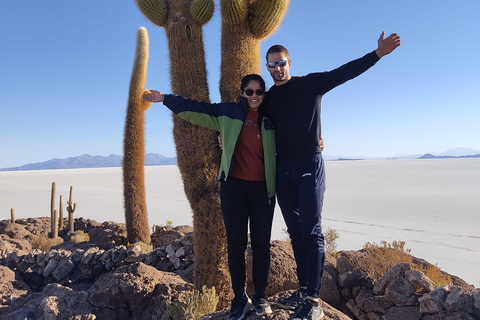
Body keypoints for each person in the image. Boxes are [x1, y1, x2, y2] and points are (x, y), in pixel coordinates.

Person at [263, 31, 401, 320]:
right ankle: (303, 291)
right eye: (271, 65)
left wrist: (377, 54)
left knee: (312, 232)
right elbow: (249, 121)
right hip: (281, 168)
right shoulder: (268, 99)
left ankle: (313, 301)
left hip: (308, 165)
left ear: (290, 62)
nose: (277, 69)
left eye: (281, 63)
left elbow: (344, 72)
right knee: (296, 234)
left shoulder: (310, 84)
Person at [142, 74, 276, 320]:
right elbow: (196, 110)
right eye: (250, 92)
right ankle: (239, 297)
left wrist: (316, 142)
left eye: (259, 92)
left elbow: (292, 136)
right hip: (234, 188)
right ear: (242, 93)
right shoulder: (227, 113)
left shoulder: (271, 118)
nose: (254, 96)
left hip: (262, 191)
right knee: (235, 246)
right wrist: (164, 99)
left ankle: (260, 296)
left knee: (261, 246)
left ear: (263, 94)